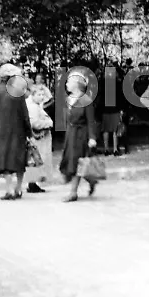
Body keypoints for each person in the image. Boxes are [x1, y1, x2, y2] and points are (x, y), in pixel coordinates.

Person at [0, 64, 32, 201]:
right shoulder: (18, 92)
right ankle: (18, 188)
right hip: (18, 130)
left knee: (4, 157)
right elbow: (25, 114)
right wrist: (29, 133)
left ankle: (9, 189)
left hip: (1, 129)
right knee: (18, 158)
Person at [59, 71, 98, 202]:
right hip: (71, 134)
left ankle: (73, 192)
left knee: (78, 162)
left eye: (69, 82)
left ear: (77, 84)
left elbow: (91, 121)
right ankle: (91, 180)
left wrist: (92, 138)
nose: (67, 84)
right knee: (72, 160)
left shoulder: (86, 100)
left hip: (82, 135)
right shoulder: (68, 99)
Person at [26, 84, 54, 193]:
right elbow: (35, 123)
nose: (42, 97)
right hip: (39, 138)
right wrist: (48, 123)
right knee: (37, 159)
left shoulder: (35, 104)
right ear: (33, 95)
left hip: (39, 138)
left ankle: (34, 183)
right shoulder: (33, 107)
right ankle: (33, 183)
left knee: (36, 159)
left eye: (42, 94)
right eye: (39, 94)